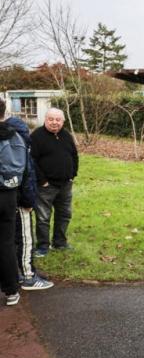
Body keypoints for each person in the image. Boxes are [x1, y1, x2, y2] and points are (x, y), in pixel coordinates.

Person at [5, 115, 54, 290]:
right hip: (18, 201)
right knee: (25, 239)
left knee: (8, 240)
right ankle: (28, 276)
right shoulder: (20, 146)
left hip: (7, 199)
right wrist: (28, 200)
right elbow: (26, 175)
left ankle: (14, 274)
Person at [30, 107, 79, 257]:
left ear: (63, 121)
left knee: (64, 215)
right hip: (46, 186)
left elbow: (74, 155)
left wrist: (72, 175)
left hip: (65, 184)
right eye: (51, 119)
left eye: (58, 120)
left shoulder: (66, 135)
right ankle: (43, 247)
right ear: (45, 120)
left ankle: (60, 243)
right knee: (43, 217)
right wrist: (42, 181)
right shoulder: (37, 136)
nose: (54, 122)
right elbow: (31, 161)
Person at [0, 97, 31, 306]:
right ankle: (11, 291)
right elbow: (25, 167)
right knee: (6, 243)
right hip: (8, 194)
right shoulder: (16, 136)